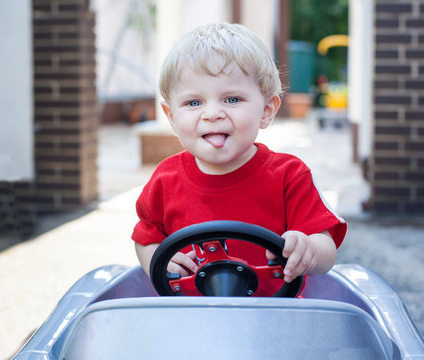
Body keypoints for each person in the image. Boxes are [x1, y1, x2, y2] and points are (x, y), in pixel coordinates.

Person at [132, 23, 347, 288]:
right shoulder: (165, 180)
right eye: (194, 103)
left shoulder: (289, 176)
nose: (212, 114)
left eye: (232, 99)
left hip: (275, 315)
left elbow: (326, 248)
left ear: (267, 110)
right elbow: (145, 237)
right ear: (172, 118)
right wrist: (158, 258)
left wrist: (309, 249)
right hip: (189, 314)